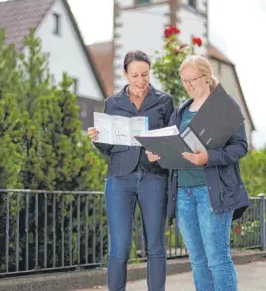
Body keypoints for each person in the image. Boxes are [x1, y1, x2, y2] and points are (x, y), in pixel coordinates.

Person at [146, 55, 250, 291]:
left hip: (212, 192)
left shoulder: (225, 106)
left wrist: (209, 157)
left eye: (193, 79)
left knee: (217, 259)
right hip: (183, 193)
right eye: (185, 81)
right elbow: (175, 146)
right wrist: (159, 155)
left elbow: (240, 146)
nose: (189, 85)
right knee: (198, 261)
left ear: (206, 76)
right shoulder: (181, 111)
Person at [87, 50, 175, 291]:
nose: (140, 80)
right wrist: (96, 138)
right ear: (125, 74)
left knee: (155, 246)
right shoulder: (112, 103)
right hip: (120, 179)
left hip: (154, 177)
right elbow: (107, 148)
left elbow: (174, 141)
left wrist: (163, 153)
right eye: (135, 75)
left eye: (145, 74)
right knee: (120, 246)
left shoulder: (164, 101)